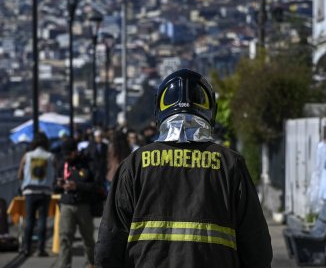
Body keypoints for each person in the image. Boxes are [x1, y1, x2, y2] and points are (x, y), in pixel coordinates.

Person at [95, 69, 273, 267]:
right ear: (209, 110)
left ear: (159, 110)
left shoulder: (134, 164)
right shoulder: (230, 164)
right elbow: (258, 250)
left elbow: (107, 248)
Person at [56, 139, 96, 268]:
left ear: (75, 152)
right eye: (65, 155)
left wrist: (77, 186)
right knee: (65, 237)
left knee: (87, 238)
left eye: (69, 154)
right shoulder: (63, 164)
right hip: (66, 204)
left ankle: (90, 263)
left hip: (83, 204)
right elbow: (54, 185)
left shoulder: (86, 163)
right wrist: (59, 185)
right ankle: (64, 264)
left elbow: (94, 186)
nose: (67, 157)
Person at [18, 132, 55, 257]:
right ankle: (41, 249)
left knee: (29, 220)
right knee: (43, 220)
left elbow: (20, 174)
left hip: (30, 191)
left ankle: (26, 248)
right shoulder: (50, 156)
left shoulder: (27, 156)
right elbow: (54, 172)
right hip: (45, 191)